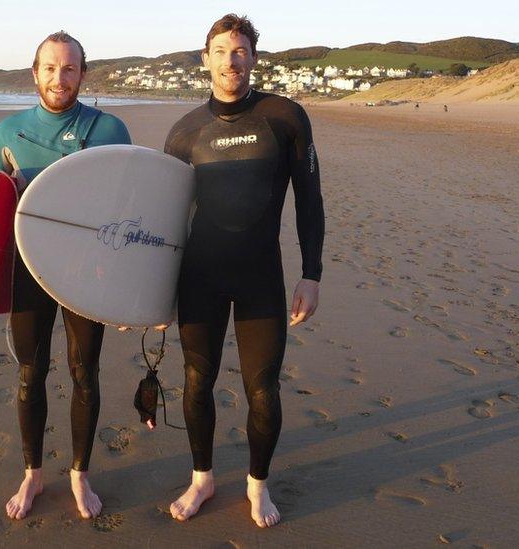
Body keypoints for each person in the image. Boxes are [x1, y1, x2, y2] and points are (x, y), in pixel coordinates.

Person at [162, 14, 324, 528]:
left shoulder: (285, 117)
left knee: (262, 388)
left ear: (253, 57)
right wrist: (149, 292)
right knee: (196, 381)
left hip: (261, 277)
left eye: (240, 51)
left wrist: (312, 273)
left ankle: (258, 486)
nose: (230, 61)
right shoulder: (184, 132)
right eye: (221, 51)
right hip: (199, 278)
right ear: (204, 58)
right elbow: (163, 220)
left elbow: (310, 200)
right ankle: (202, 478)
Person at [0, 31, 131, 521]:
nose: (59, 78)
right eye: (50, 68)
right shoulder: (6, 133)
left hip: (88, 271)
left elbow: (131, 211)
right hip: (28, 271)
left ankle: (80, 475)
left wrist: (129, 288)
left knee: (85, 372)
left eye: (69, 69)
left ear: (83, 73)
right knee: (30, 372)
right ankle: (34, 474)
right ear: (34, 72)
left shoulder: (111, 131)